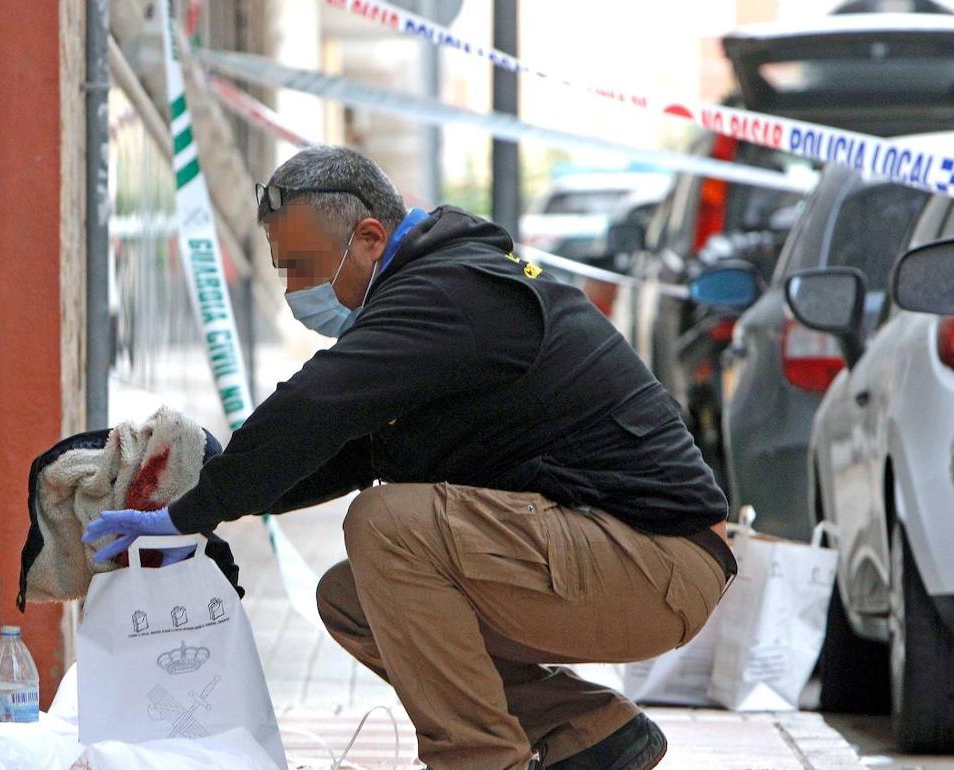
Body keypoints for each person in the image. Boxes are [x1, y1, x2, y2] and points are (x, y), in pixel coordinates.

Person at [84, 146, 736, 770]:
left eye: (306, 267)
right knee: (353, 600)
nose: (295, 291)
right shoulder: (435, 299)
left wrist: (193, 512)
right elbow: (342, 452)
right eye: (286, 270)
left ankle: (477, 760)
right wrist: (204, 493)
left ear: (370, 238)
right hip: (624, 558)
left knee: (386, 526)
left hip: (655, 561)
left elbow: (318, 404)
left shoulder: (450, 293)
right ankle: (591, 731)